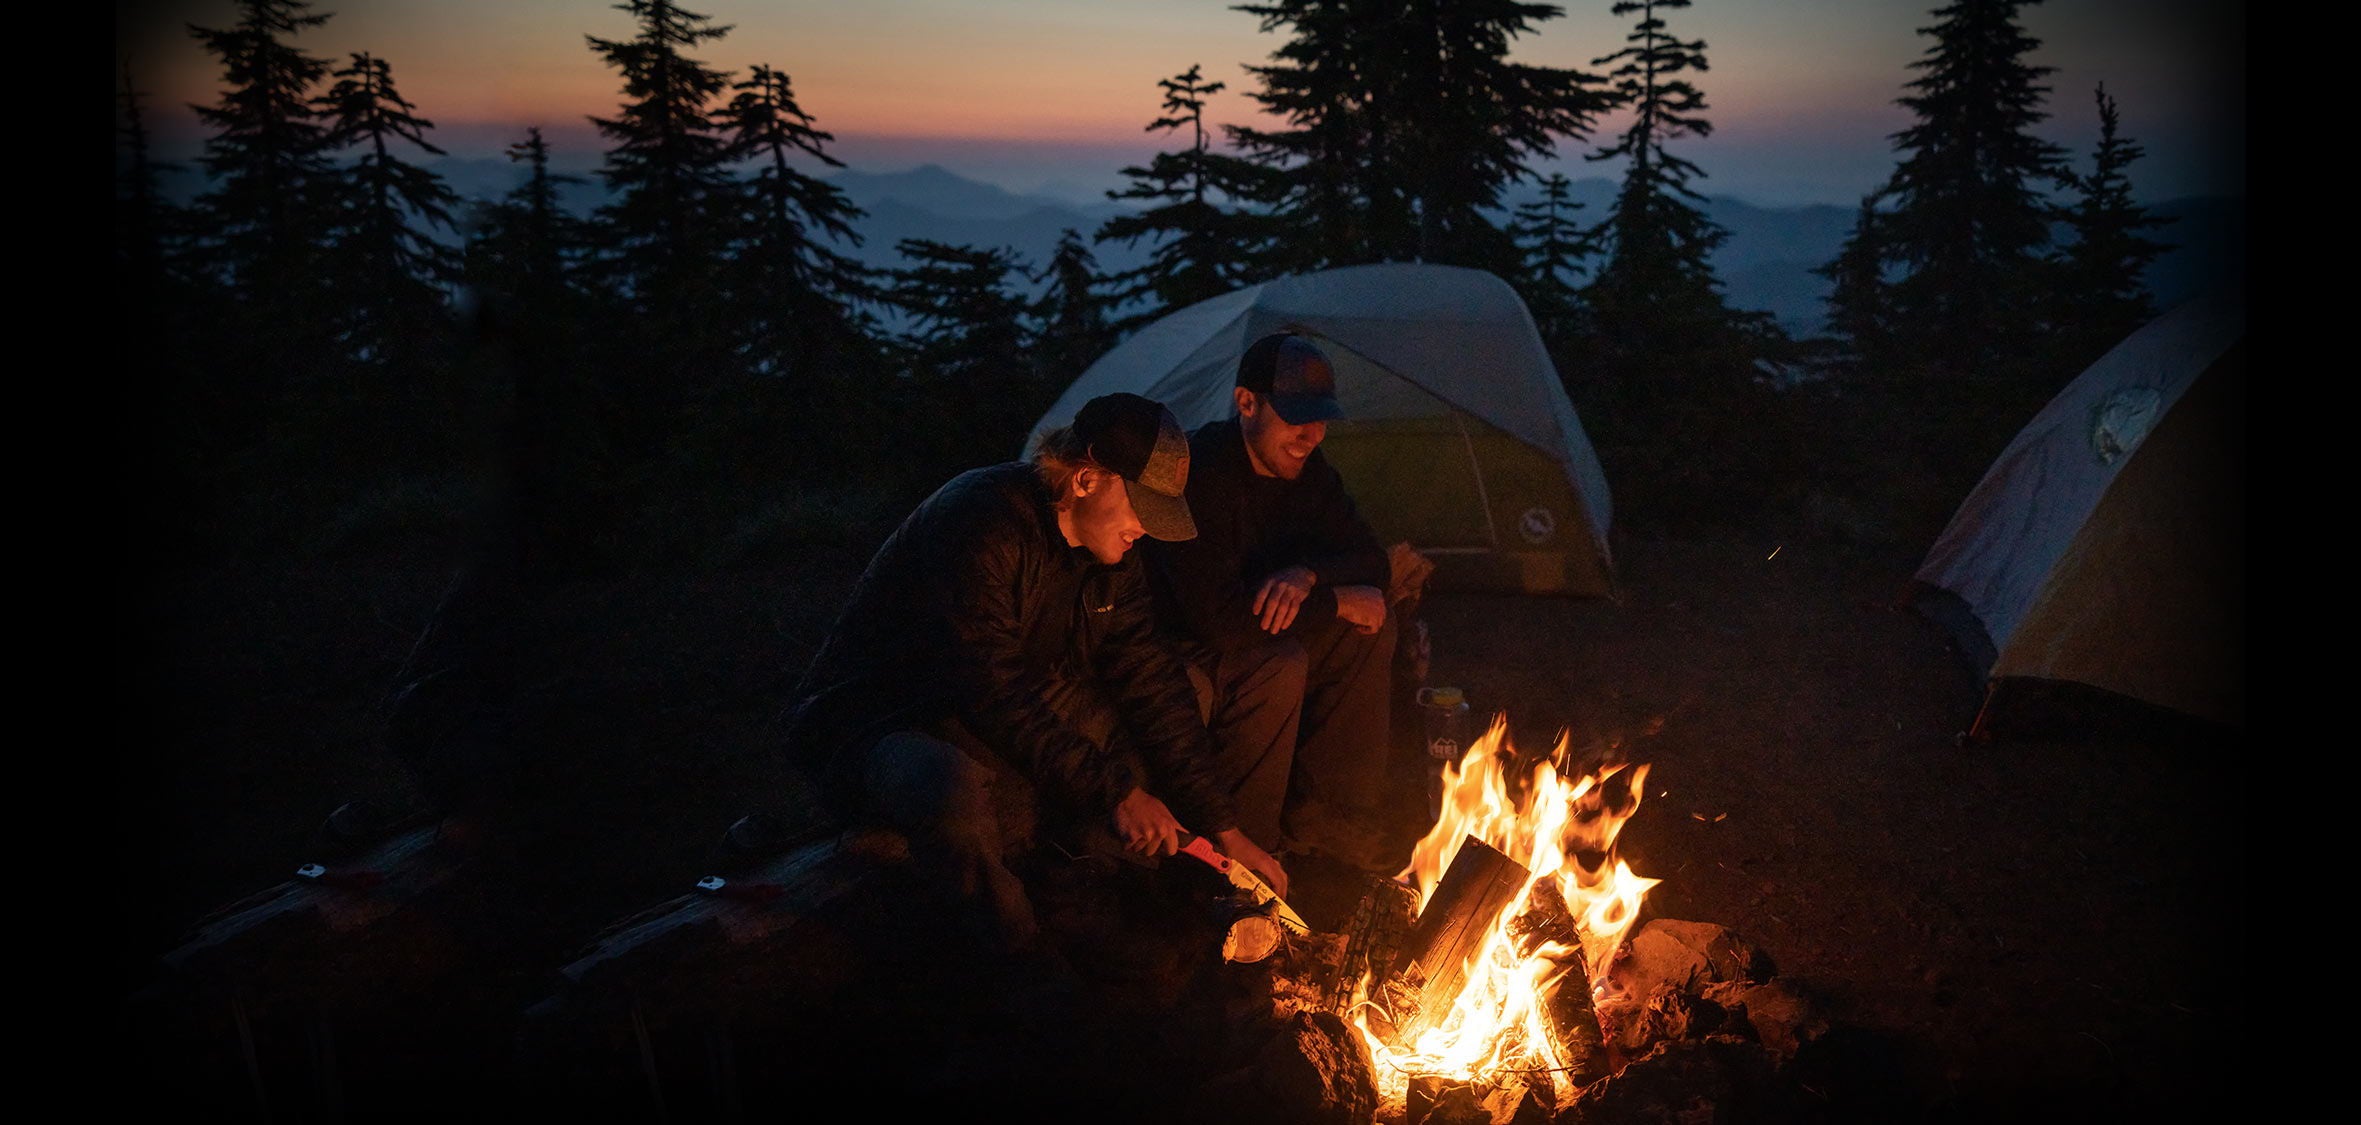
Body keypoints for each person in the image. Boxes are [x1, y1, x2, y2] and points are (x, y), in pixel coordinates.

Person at [776, 392, 1289, 954]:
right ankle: (1014, 957)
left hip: (988, 702)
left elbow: (1148, 674)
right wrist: (1116, 790)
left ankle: (1087, 892)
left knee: (1184, 690)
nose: (1146, 528)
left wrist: (1222, 827)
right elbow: (988, 686)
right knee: (948, 791)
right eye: (1142, 506)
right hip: (884, 718)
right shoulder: (981, 522)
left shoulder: (1111, 555)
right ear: (1086, 480)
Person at [1144, 331, 1402, 874]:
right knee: (1281, 662)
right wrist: (1332, 602)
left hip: (1256, 627)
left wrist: (1310, 575)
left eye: (1321, 419)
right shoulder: (1200, 475)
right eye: (1296, 418)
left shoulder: (1310, 474)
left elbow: (1371, 561)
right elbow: (1218, 622)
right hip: (1185, 642)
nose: (1311, 435)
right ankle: (1247, 859)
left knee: (1368, 626)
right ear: (1246, 403)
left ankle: (1329, 834)